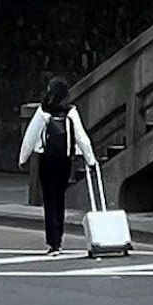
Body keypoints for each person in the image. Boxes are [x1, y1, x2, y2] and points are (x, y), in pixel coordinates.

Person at [18, 77, 98, 256]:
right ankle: (59, 240)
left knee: (49, 200)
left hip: (46, 159)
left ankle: (52, 242)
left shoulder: (43, 110)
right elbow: (81, 138)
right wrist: (91, 160)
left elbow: (30, 137)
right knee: (60, 198)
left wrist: (23, 159)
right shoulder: (71, 111)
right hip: (65, 159)